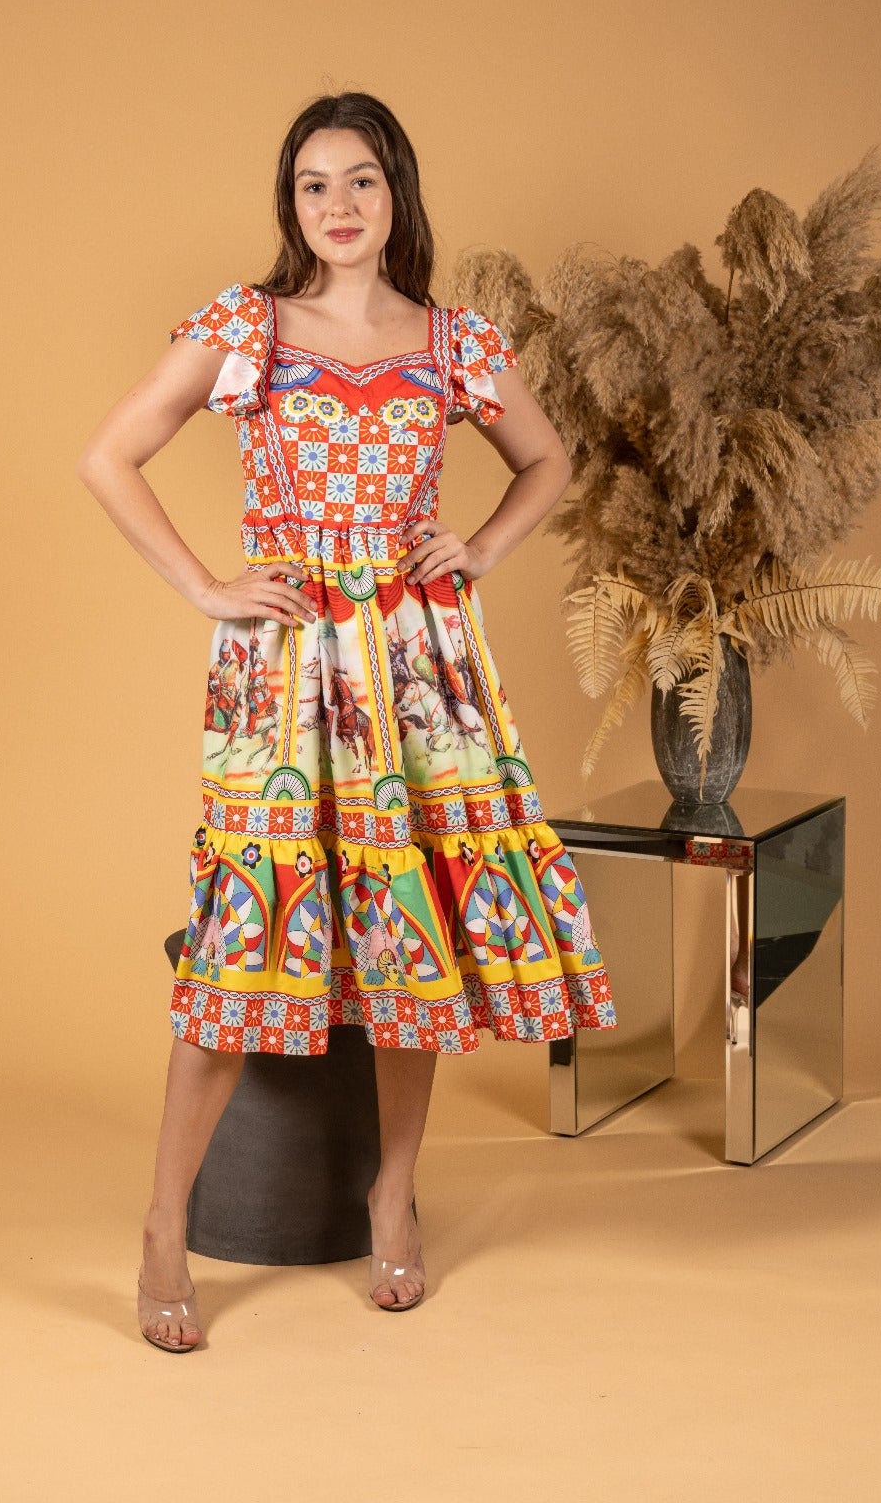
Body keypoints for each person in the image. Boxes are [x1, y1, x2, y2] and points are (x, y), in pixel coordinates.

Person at [76, 92, 617, 1353]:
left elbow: (547, 460)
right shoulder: (247, 326)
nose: (337, 205)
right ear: (290, 203)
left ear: (397, 195)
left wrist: (478, 548)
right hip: (286, 663)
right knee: (241, 933)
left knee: (405, 932)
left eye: (360, 180)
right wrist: (206, 585)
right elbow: (109, 456)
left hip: (419, 667)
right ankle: (163, 1225)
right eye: (313, 184)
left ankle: (390, 1195)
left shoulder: (453, 341)